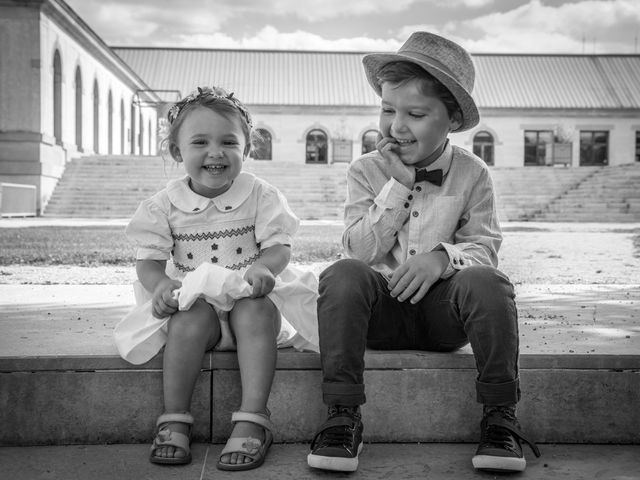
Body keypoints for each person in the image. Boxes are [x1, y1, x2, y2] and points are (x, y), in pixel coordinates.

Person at [306, 32, 540, 474]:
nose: (396, 126)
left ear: (450, 120)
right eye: (388, 109)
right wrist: (396, 186)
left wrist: (441, 257)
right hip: (380, 314)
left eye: (415, 114)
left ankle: (500, 419)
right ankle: (342, 416)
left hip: (444, 317)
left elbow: (485, 249)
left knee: (488, 283)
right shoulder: (366, 170)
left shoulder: (472, 173)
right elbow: (356, 248)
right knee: (342, 274)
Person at [122, 86, 316, 471]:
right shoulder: (163, 205)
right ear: (178, 152)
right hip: (198, 312)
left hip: (249, 308)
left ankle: (252, 419)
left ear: (246, 149)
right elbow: (149, 261)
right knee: (187, 318)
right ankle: (175, 417)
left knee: (257, 309)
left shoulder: (260, 195)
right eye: (200, 142)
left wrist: (264, 267)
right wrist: (160, 284)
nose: (216, 152)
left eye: (229, 141)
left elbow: (280, 245)